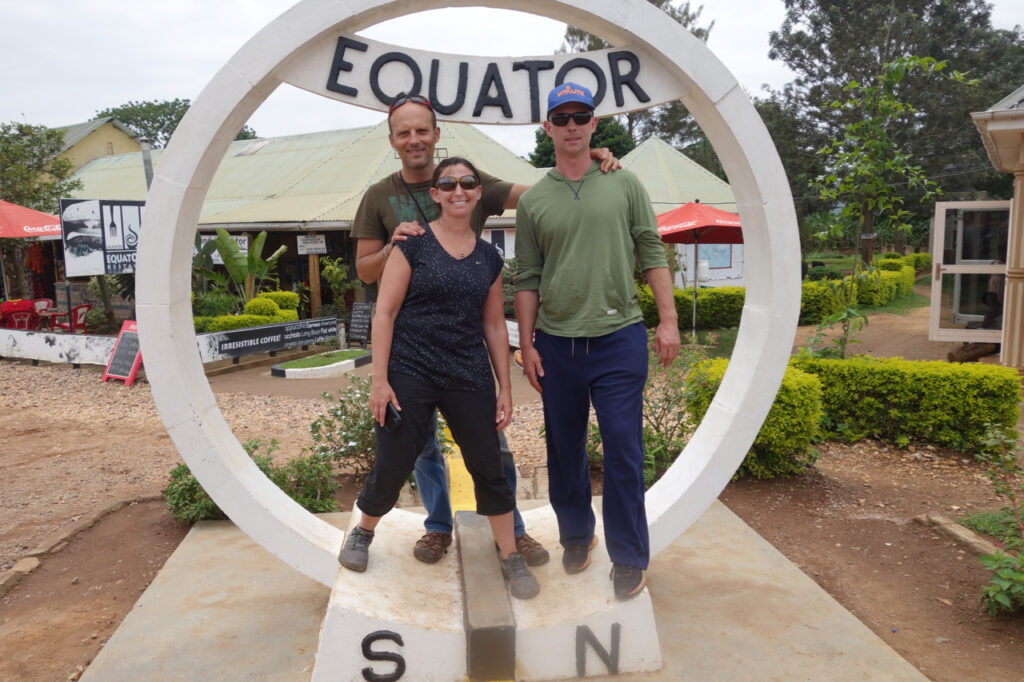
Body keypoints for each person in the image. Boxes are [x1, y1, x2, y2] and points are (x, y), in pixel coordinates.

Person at [350, 92, 619, 567]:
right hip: (409, 348)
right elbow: (366, 273)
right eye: (404, 132)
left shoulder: (475, 185)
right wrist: (392, 245)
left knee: (490, 449)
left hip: (463, 350)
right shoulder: (376, 196)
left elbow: (541, 194)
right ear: (393, 141)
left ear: (436, 134)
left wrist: (582, 160)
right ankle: (437, 528)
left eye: (421, 130)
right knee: (417, 448)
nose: (414, 139)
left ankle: (510, 531)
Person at [339, 157, 539, 600]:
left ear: (477, 192)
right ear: (435, 194)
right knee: (394, 459)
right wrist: (380, 380)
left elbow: (492, 325)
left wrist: (505, 387)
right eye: (448, 184)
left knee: (489, 464)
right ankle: (363, 531)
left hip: (467, 372)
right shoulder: (411, 245)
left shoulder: (490, 257)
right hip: (412, 369)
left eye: (468, 183)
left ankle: (509, 554)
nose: (459, 191)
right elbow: (385, 313)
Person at [514, 82, 680, 600]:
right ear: (547, 128)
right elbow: (526, 277)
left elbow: (651, 248)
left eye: (579, 116)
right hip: (558, 345)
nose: (571, 126)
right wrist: (527, 344)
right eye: (560, 118)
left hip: (619, 339)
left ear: (593, 124)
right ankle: (577, 536)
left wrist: (668, 319)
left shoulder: (624, 183)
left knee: (624, 450)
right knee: (564, 450)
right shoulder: (535, 199)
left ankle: (629, 554)